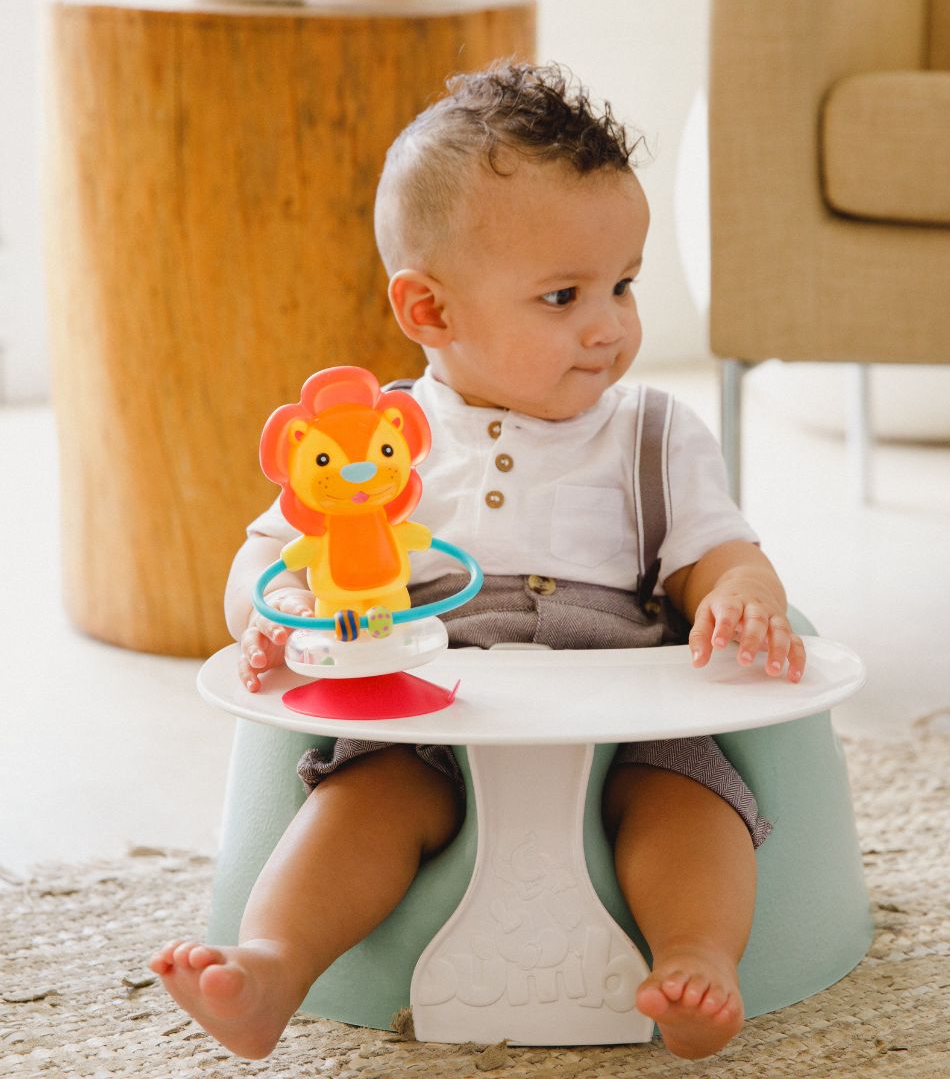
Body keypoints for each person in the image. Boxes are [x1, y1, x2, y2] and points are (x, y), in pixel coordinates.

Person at [150, 61, 806, 1062]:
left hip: (622, 700)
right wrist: (272, 614)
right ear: (431, 313)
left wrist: (744, 596)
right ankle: (271, 967)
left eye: (624, 285)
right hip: (428, 699)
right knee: (358, 804)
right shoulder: (376, 437)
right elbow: (273, 557)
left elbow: (716, 552)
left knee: (693, 799)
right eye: (562, 295)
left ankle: (697, 959)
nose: (610, 325)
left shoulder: (650, 432)